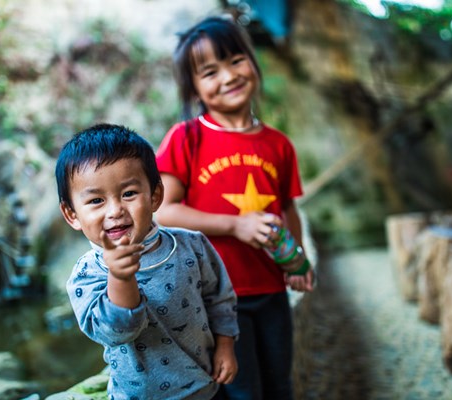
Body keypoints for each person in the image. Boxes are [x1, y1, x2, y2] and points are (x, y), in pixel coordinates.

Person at [155, 16, 314, 400]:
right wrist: (235, 225)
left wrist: (297, 258)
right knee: (242, 392)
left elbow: (287, 208)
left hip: (271, 290)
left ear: (253, 63)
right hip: (216, 299)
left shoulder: (278, 145)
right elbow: (163, 211)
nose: (228, 77)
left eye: (236, 61)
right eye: (210, 72)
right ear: (193, 87)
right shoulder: (186, 138)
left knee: (280, 384)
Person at [55, 123, 239, 400]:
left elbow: (219, 297)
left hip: (206, 384)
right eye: (96, 200)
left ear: (155, 196)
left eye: (129, 193)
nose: (115, 210)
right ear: (72, 215)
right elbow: (118, 332)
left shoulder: (190, 244)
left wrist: (226, 345)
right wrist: (120, 278)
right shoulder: (87, 274)